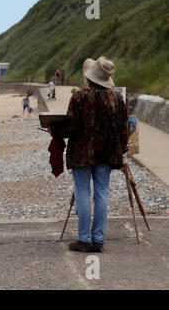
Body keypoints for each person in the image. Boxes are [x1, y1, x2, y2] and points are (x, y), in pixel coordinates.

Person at [59, 56, 129, 253]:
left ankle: (84, 239)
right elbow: (124, 128)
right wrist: (121, 149)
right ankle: (98, 239)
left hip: (82, 153)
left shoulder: (79, 96)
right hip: (107, 154)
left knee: (82, 193)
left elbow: (70, 127)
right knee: (102, 193)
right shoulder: (117, 98)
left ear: (90, 77)